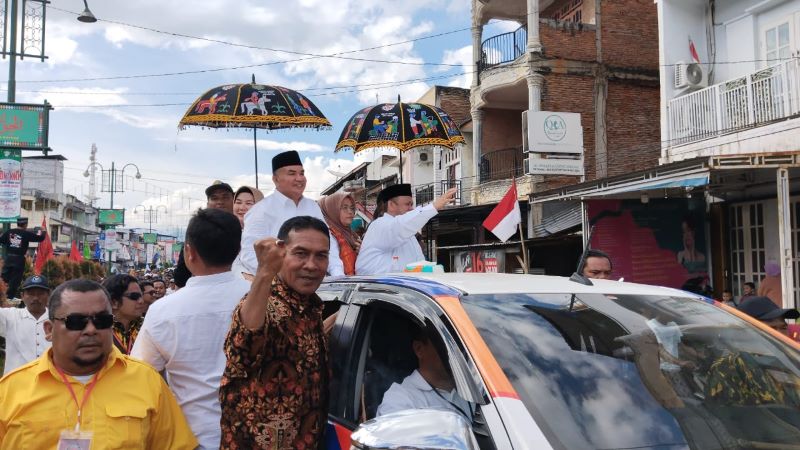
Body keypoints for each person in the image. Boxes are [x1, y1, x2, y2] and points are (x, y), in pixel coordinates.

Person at [0, 279, 198, 449]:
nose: (91, 330)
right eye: (76, 321)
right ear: (49, 330)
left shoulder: (148, 382)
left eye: (102, 320)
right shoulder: (9, 391)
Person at [132, 208, 250, 450]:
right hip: (255, 436)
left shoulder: (163, 311)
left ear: (189, 252)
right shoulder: (262, 299)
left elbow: (141, 376)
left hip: (191, 437)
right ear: (238, 251)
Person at [220, 216, 330, 449]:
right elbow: (244, 344)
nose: (311, 265)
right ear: (281, 253)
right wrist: (264, 272)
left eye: (321, 255)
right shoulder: (265, 304)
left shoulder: (311, 308)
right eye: (300, 253)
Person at [239, 150, 344, 277]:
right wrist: (282, 276)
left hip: (316, 281)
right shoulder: (260, 210)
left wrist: (337, 274)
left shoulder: (312, 206)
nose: (299, 178)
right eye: (292, 173)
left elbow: (328, 243)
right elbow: (249, 254)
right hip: (278, 287)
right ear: (276, 179)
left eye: (302, 173)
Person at [377, 322, 472, 421]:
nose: (458, 352)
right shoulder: (400, 400)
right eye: (447, 344)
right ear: (419, 349)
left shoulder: (475, 387)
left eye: (460, 343)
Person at [356, 184, 456, 275]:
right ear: (391, 205)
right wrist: (433, 206)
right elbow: (400, 226)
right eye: (407, 204)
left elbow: (420, 265)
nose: (411, 208)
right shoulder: (378, 226)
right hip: (376, 291)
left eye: (411, 204)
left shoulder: (409, 235)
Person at [174, 180, 235, 288]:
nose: (220, 202)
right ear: (208, 204)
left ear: (234, 201)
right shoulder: (196, 231)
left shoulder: (247, 228)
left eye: (225, 197)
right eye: (214, 198)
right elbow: (181, 276)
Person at [0, 275, 51, 374]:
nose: (36, 298)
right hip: (16, 384)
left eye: (40, 294)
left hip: (49, 382)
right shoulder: (10, 316)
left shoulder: (58, 319)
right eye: (31, 294)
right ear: (22, 296)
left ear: (48, 295)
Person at [0, 217, 46, 300]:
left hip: (9, 258)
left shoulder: (9, 232)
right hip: (19, 259)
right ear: (25, 224)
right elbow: (40, 239)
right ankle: (10, 297)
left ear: (17, 223)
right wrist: (44, 231)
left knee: (4, 278)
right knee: (15, 279)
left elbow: (1, 240)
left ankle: (1, 295)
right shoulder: (26, 234)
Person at [318, 192, 362, 275]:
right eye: (344, 207)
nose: (350, 212)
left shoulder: (351, 235)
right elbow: (335, 268)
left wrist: (361, 253)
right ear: (332, 210)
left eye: (352, 208)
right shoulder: (328, 235)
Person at [102, 274, 144, 355]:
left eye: (141, 296)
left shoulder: (146, 326)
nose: (141, 301)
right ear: (114, 302)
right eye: (134, 296)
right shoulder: (98, 330)